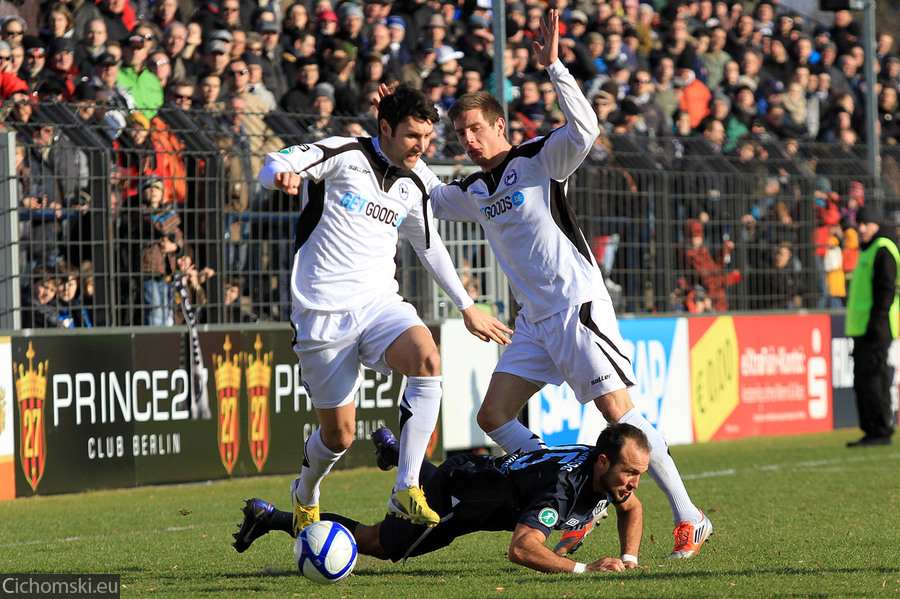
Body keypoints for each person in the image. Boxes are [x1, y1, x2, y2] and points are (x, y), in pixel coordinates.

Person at [423, 10, 711, 558]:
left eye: (476, 129)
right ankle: (570, 486)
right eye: (460, 134)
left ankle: (689, 515)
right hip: (533, 322)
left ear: (500, 126)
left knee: (619, 417)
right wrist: (394, 136)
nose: (469, 140)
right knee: (493, 417)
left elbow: (586, 129)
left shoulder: (538, 159)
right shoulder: (473, 191)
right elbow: (431, 196)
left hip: (576, 306)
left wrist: (554, 65)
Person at [256, 82, 514, 534]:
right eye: (413, 136)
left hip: (379, 304)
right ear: (385, 127)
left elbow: (430, 247)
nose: (422, 147)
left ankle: (406, 486)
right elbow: (277, 159)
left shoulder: (415, 182)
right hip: (321, 314)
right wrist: (280, 175)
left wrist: (466, 306)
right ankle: (306, 492)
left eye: (428, 138)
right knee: (338, 436)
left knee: (427, 358)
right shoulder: (342, 153)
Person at [233, 423, 649, 574]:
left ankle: (394, 452)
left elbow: (631, 508)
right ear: (602, 462)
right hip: (456, 503)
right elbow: (522, 550)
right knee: (377, 543)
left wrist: (629, 558)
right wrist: (585, 568)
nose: (631, 484)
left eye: (638, 475)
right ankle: (270, 518)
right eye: (629, 472)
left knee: (456, 483)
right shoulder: (561, 487)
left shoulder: (605, 475)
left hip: (475, 479)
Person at [845, 205, 899, 447]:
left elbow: (886, 290)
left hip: (877, 328)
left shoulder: (883, 249)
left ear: (876, 224)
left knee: (876, 379)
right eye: (859, 224)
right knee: (863, 380)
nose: (861, 228)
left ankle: (881, 429)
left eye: (866, 224)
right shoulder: (866, 250)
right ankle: (870, 429)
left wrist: (877, 322)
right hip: (861, 329)